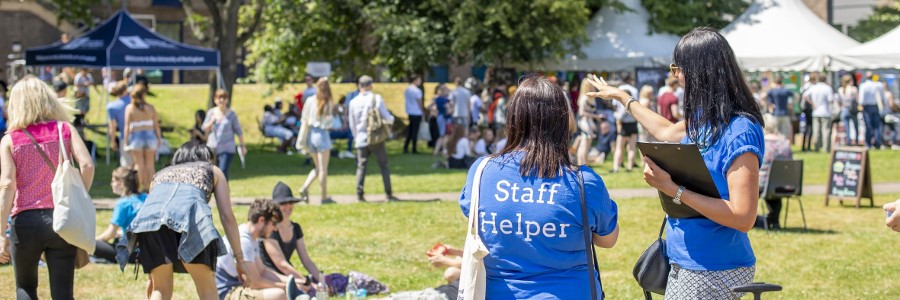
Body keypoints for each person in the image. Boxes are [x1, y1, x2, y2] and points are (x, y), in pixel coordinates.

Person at [588, 27, 763, 299]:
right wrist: (623, 98)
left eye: (677, 68)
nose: (676, 76)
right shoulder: (707, 120)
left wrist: (674, 191)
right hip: (685, 258)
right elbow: (666, 132)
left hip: (713, 265)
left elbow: (743, 216)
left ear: (699, 70)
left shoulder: (740, 130)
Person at [459, 75, 619, 299]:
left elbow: (476, 219)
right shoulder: (584, 182)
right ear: (562, 122)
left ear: (514, 118)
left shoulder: (481, 171)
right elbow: (607, 239)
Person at [0, 75, 96, 299]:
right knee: (63, 292)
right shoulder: (65, 129)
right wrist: (78, 195)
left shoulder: (10, 140)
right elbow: (87, 165)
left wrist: (0, 231)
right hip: (61, 217)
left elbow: (7, 184)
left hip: (25, 221)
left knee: (25, 287)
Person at [118, 142, 247, 300]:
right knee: (208, 292)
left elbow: (153, 211)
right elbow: (227, 217)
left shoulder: (159, 175)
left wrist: (151, 277)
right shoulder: (212, 170)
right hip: (192, 222)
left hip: (149, 225)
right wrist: (239, 259)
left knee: (160, 290)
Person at [216, 198, 305, 300]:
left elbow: (263, 271)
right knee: (278, 295)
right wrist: (287, 287)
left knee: (281, 293)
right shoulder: (244, 240)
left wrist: (292, 281)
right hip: (227, 293)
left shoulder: (253, 238)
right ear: (261, 220)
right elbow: (255, 283)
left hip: (238, 286)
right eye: (274, 223)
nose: (275, 228)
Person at [260, 182, 325, 290]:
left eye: (290, 202)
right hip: (270, 275)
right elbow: (281, 264)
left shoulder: (296, 228)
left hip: (288, 275)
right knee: (301, 289)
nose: (288, 206)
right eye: (283, 203)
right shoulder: (270, 229)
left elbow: (307, 261)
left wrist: (322, 280)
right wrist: (308, 284)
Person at [348, 75, 398, 202]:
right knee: (384, 166)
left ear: (359, 86)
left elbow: (352, 123)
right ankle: (388, 193)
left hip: (360, 138)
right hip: (376, 138)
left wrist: (356, 137)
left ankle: (359, 194)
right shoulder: (376, 98)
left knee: (361, 167)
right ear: (371, 85)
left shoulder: (353, 102)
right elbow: (386, 116)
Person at [297, 78, 335, 204]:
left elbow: (304, 119)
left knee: (318, 168)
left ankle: (304, 188)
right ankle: (323, 197)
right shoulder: (328, 101)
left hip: (311, 135)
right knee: (323, 168)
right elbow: (329, 123)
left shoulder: (310, 100)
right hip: (322, 134)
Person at [94, 167, 144, 263]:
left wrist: (95, 240)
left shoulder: (123, 203)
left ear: (121, 183)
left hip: (132, 253)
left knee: (92, 244)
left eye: (113, 181)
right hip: (149, 251)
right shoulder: (146, 197)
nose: (111, 184)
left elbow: (110, 234)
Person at [755, 114, 793, 230]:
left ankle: (758, 220)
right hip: (784, 184)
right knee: (773, 183)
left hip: (762, 184)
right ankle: (774, 220)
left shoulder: (761, 143)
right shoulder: (785, 143)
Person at [124, 84, 161, 191]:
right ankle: (151, 188)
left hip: (136, 137)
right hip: (150, 136)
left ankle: (138, 188)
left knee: (139, 164)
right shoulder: (150, 108)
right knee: (150, 164)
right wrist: (158, 138)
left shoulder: (130, 109)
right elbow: (156, 125)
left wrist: (125, 142)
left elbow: (127, 127)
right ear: (144, 95)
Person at [204, 89, 247, 179]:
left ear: (227, 100)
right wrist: (211, 121)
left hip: (227, 148)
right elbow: (205, 129)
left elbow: (239, 131)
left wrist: (242, 146)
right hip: (213, 147)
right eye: (219, 98)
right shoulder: (211, 112)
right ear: (215, 99)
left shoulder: (231, 114)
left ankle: (224, 192)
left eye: (224, 98)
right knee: (212, 173)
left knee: (223, 171)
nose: (221, 100)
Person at [804, 73, 835, 153]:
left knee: (816, 131)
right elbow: (831, 100)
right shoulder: (828, 88)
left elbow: (805, 96)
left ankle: (817, 147)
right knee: (826, 131)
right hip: (825, 112)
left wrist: (812, 104)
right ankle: (826, 148)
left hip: (816, 112)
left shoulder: (814, 87)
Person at [108, 82, 134, 167]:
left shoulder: (111, 107)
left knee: (126, 165)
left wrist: (113, 141)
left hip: (124, 137)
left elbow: (113, 126)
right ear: (125, 90)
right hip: (139, 135)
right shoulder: (134, 101)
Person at [612, 88, 638, 173]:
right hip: (633, 125)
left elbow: (621, 116)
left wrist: (615, 114)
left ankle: (616, 167)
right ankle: (630, 167)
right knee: (632, 148)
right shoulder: (635, 104)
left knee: (619, 147)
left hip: (625, 125)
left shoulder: (626, 104)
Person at [858, 72, 885, 149]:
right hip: (875, 106)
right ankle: (877, 143)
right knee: (877, 126)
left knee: (868, 126)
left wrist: (860, 105)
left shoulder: (863, 86)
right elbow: (882, 97)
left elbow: (861, 100)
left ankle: (868, 143)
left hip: (867, 107)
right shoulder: (877, 85)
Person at [765, 76, 795, 141]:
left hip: (776, 113)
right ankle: (784, 146)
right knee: (785, 132)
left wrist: (770, 105)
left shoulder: (772, 91)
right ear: (781, 82)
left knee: (776, 131)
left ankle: (777, 146)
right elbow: (795, 95)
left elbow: (764, 96)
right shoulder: (785, 90)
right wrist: (791, 105)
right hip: (785, 113)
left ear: (775, 83)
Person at [429, 83, 452, 157]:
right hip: (444, 117)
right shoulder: (445, 100)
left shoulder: (437, 99)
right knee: (443, 135)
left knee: (443, 135)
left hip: (440, 116)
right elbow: (449, 110)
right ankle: (441, 150)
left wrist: (435, 112)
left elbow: (430, 107)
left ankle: (439, 151)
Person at [404, 75, 425, 154]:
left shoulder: (407, 89)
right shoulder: (417, 91)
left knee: (410, 130)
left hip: (410, 112)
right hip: (416, 112)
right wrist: (422, 111)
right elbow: (419, 102)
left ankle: (405, 147)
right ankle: (414, 148)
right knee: (415, 131)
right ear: (415, 80)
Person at [837, 75, 859, 146]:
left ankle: (848, 141)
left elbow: (839, 101)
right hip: (852, 109)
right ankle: (856, 140)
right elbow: (857, 100)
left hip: (844, 109)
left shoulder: (840, 89)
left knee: (847, 127)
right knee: (856, 126)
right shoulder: (854, 89)